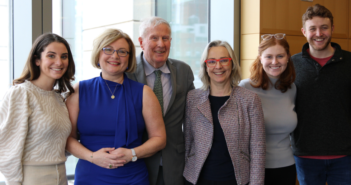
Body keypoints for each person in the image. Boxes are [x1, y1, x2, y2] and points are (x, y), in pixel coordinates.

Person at [65, 29, 166, 185]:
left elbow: (159, 139)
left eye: (122, 52)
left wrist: (132, 153)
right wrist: (92, 157)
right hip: (90, 176)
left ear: (129, 58)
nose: (115, 56)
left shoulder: (144, 93)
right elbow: (67, 138)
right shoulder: (78, 91)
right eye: (108, 50)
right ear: (98, 54)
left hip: (132, 178)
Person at [183, 40, 265, 185]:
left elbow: (257, 148)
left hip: (236, 180)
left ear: (232, 64)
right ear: (205, 65)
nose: (218, 66)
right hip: (197, 179)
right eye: (212, 61)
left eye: (224, 60)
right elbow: (188, 143)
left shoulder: (250, 100)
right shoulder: (192, 98)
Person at [126, 17, 195, 185]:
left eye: (165, 38)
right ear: (141, 42)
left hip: (175, 164)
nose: (161, 44)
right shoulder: (127, 73)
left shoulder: (183, 71)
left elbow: (193, 116)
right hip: (137, 163)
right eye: (154, 38)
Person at [0, 33, 75, 185]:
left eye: (64, 56)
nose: (59, 62)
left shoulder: (59, 98)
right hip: (31, 178)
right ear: (37, 60)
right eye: (51, 56)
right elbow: (5, 146)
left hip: (61, 175)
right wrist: (14, 182)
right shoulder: (21, 93)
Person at [291, 4, 351, 185]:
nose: (319, 33)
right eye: (313, 28)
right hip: (305, 155)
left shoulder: (349, 62)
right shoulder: (292, 64)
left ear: (332, 29)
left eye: (324, 27)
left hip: (345, 156)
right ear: (304, 31)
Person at [238, 34, 297, 185]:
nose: (275, 62)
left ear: (288, 57)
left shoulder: (292, 88)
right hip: (254, 169)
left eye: (280, 56)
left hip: (287, 168)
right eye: (269, 56)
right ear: (260, 58)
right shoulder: (244, 88)